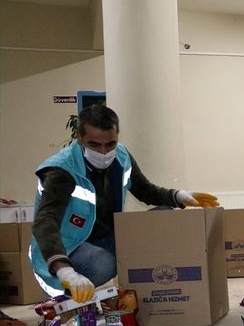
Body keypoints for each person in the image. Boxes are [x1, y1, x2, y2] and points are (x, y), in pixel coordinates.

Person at [30, 105, 219, 303]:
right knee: (102, 263)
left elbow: (145, 190)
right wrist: (65, 270)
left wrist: (178, 196)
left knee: (163, 216)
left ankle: (154, 288)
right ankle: (67, 297)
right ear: (79, 138)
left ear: (117, 136)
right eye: (94, 145)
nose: (103, 152)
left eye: (110, 144)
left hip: (106, 237)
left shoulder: (121, 156)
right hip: (66, 248)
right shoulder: (61, 170)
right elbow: (45, 222)